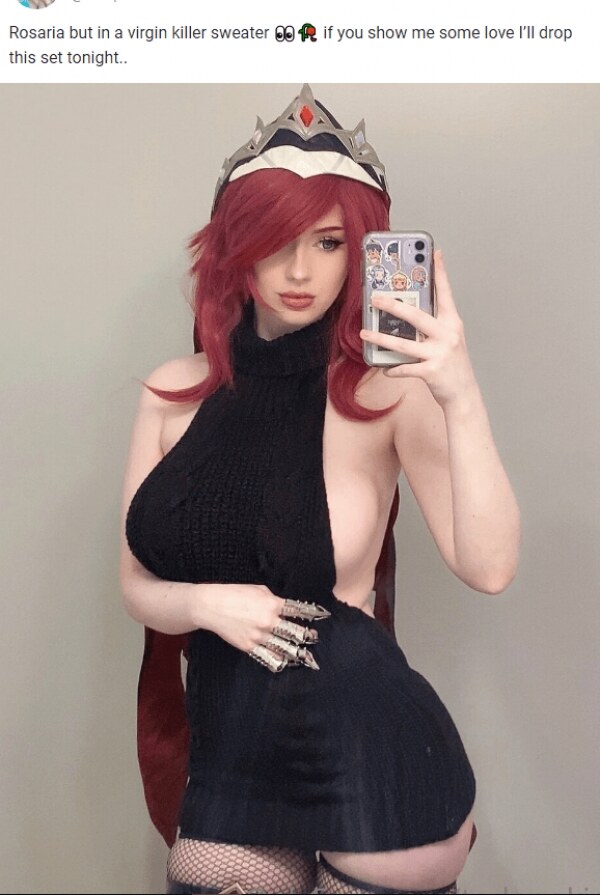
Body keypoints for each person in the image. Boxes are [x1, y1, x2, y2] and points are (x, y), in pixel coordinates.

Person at [120, 85, 520, 895]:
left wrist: (459, 391)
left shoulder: (386, 394)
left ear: (363, 250)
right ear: (234, 248)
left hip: (373, 754)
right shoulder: (171, 392)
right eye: (273, 240)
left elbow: (489, 566)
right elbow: (136, 585)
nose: (300, 270)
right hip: (233, 755)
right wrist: (209, 604)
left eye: (330, 241)